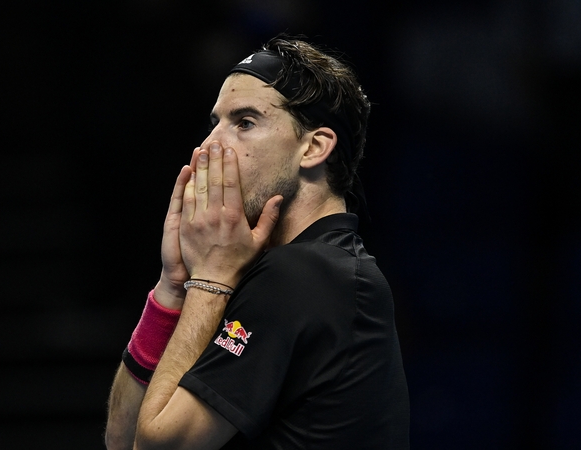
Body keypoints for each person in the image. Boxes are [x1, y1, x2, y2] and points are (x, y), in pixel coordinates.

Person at [105, 36, 410, 450]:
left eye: (245, 123)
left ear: (314, 147)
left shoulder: (308, 274)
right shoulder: (279, 270)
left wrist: (208, 279)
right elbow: (120, 441)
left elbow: (156, 447)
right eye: (215, 123)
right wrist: (172, 287)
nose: (209, 146)